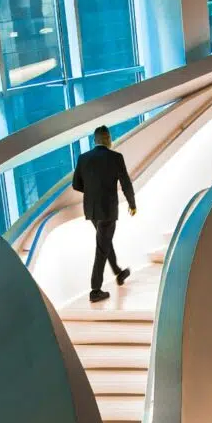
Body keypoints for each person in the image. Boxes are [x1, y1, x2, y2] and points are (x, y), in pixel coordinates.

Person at [72, 125, 136, 303]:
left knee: (104, 240)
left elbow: (76, 185)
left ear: (95, 140)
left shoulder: (83, 158)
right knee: (102, 247)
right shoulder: (116, 157)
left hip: (92, 209)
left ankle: (118, 272)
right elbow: (125, 183)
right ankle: (95, 290)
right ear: (108, 138)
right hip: (108, 209)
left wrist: (92, 192)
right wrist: (132, 203)